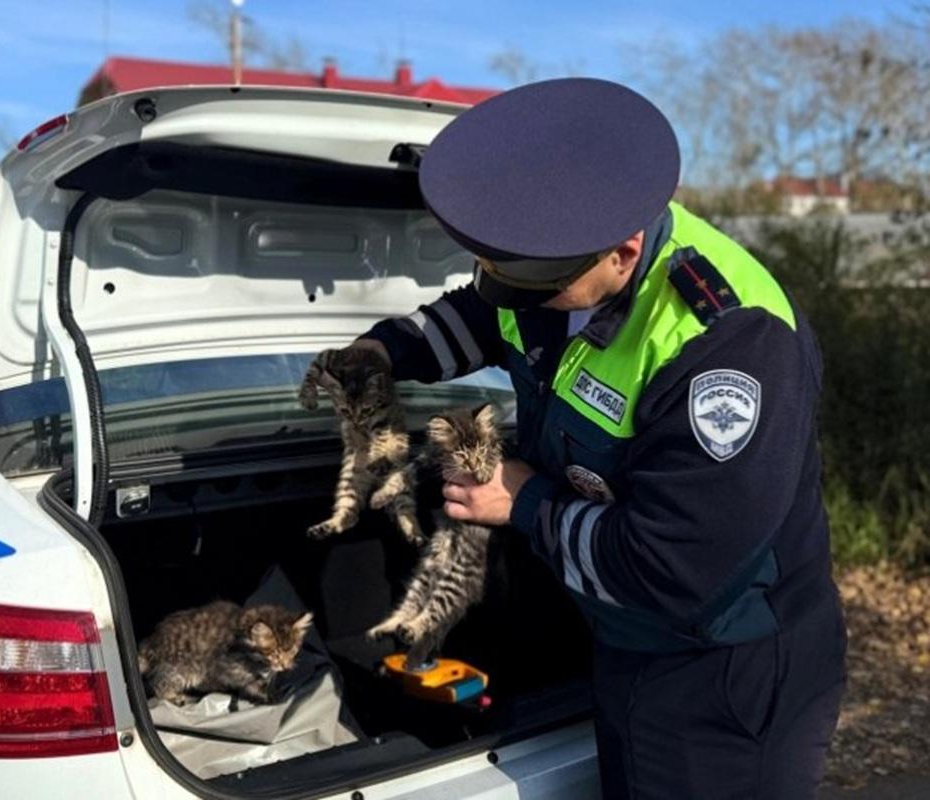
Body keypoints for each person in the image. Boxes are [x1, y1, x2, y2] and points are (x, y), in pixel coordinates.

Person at [331, 78, 846, 799]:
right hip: (623, 638)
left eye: (531, 286)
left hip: (720, 669)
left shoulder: (727, 345)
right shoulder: (559, 261)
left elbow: (675, 568)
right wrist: (383, 352)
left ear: (625, 252)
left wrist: (526, 503)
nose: (509, 295)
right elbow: (489, 315)